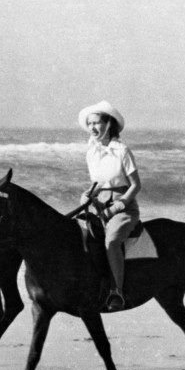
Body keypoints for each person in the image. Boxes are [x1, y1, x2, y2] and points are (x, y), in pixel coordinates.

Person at [77, 100, 141, 311]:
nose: (93, 128)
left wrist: (119, 206)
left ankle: (117, 292)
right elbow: (100, 183)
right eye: (90, 124)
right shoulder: (91, 152)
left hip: (124, 206)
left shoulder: (122, 151)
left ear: (109, 124)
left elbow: (135, 185)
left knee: (112, 240)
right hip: (98, 204)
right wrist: (88, 194)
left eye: (97, 123)